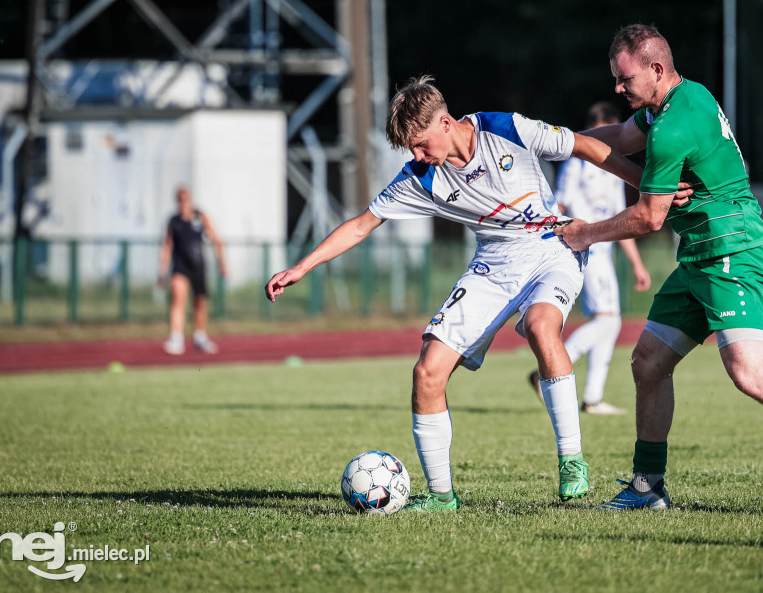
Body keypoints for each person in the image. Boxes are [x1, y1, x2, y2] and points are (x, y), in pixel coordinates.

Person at [265, 75, 644, 511]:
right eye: (410, 149)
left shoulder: (507, 129)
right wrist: (302, 266)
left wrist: (651, 188)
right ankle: (442, 497)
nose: (417, 156)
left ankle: (572, 458)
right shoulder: (421, 177)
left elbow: (585, 146)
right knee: (427, 371)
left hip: (552, 248)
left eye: (421, 144)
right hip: (493, 264)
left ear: (445, 123)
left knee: (542, 327)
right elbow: (361, 224)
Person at [557, 24, 763, 515]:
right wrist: (554, 139)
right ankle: (648, 488)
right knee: (648, 362)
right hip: (701, 254)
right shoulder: (678, 99)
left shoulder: (674, 125)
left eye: (625, 78)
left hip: (732, 251)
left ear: (656, 69)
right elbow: (619, 137)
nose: (618, 89)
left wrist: (583, 234)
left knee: (748, 370)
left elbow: (649, 215)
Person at [528, 101, 653, 415]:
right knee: (607, 320)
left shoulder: (612, 168)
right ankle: (548, 370)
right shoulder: (576, 164)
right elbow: (562, 206)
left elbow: (619, 218)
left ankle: (593, 397)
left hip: (605, 252)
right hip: (585, 250)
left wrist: (637, 263)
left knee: (610, 323)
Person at [157, 186, 227, 355]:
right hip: (180, 267)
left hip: (199, 266)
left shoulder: (200, 217)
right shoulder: (173, 221)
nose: (183, 202)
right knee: (178, 301)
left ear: (190, 199)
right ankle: (176, 338)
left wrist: (222, 263)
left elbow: (216, 239)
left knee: (200, 303)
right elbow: (167, 246)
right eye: (180, 199)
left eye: (185, 198)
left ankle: (200, 337)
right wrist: (162, 271)